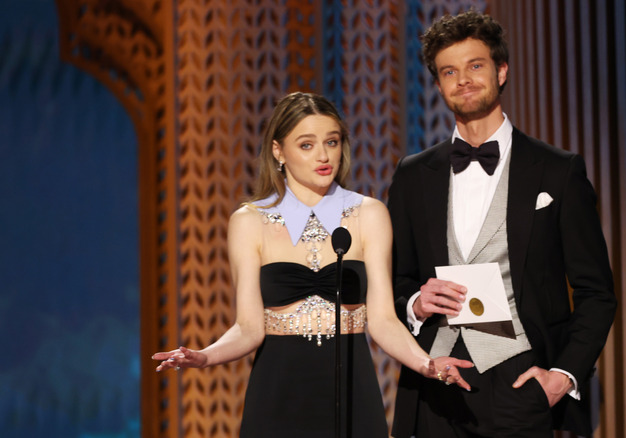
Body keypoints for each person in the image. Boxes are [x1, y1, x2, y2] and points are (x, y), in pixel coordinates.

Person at [152, 92, 472, 437]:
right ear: (278, 151)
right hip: (278, 392)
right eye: (306, 145)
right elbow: (248, 328)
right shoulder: (249, 221)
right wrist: (204, 357)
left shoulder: (369, 214)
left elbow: (382, 321)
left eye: (331, 142)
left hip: (352, 388)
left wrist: (427, 365)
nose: (323, 156)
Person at [389, 10, 617, 438]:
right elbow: (396, 279)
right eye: (449, 71)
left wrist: (562, 376)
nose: (463, 80)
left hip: (521, 380)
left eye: (475, 66)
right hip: (436, 379)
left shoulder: (557, 171)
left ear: (501, 70)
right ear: (438, 84)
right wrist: (414, 306)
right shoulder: (413, 175)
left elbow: (596, 293)